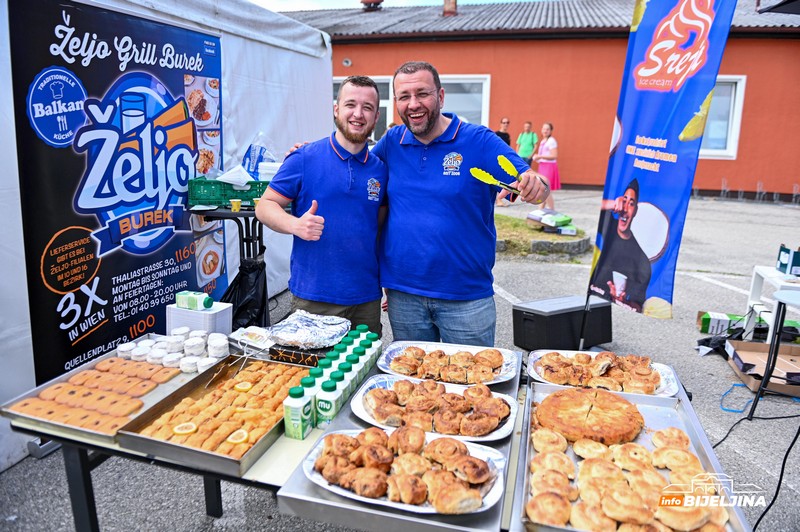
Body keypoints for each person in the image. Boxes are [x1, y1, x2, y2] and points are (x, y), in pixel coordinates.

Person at [372, 61, 550, 346]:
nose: (413, 104)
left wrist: (534, 186)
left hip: (466, 299)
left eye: (422, 94)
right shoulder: (392, 141)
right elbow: (357, 166)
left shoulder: (478, 141)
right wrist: (308, 154)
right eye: (404, 96)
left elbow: (533, 183)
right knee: (413, 388)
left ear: (440, 97)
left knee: (471, 387)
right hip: (404, 297)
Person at [255, 76, 387, 334]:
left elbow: (379, 228)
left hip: (366, 298)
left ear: (376, 117)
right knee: (312, 372)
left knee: (362, 369)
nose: (358, 114)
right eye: (350, 104)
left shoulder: (381, 169)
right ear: (336, 109)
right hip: (315, 297)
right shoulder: (304, 158)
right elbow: (265, 205)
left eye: (367, 107)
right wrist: (296, 224)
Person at [589, 179, 651, 312]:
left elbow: (638, 306)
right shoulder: (608, 226)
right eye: (624, 201)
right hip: (593, 299)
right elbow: (588, 205)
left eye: (631, 204)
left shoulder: (642, 262)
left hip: (618, 315)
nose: (625, 207)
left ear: (635, 211)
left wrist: (623, 301)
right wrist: (612, 203)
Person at [532, 122, 560, 210]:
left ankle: (552, 210)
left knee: (546, 189)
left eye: (547, 129)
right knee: (543, 189)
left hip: (549, 166)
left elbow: (554, 155)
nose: (545, 131)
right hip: (543, 166)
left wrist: (540, 156)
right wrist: (538, 158)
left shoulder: (552, 141)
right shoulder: (543, 141)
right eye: (544, 129)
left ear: (551, 131)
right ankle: (540, 211)